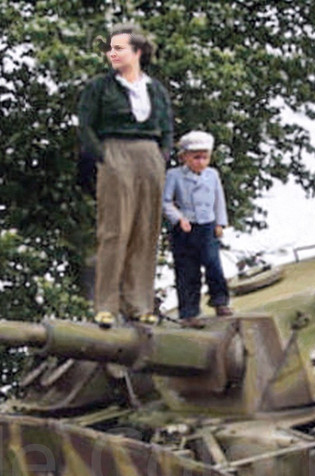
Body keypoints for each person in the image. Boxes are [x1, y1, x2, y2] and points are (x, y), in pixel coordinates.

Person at [77, 23, 173, 328]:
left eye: (119, 48)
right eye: (110, 49)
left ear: (138, 52)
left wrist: (162, 155)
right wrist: (104, 157)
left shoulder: (155, 89)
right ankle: (106, 305)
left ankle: (140, 304)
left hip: (150, 155)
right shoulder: (100, 87)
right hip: (115, 151)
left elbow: (167, 127)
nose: (112, 53)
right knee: (114, 232)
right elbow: (85, 126)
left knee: (145, 232)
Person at [163, 130, 231, 326]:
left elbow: (219, 200)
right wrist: (178, 218)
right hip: (185, 228)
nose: (200, 162)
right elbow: (166, 201)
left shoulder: (212, 175)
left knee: (213, 265)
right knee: (187, 270)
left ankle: (220, 301)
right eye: (196, 157)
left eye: (205, 157)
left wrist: (220, 222)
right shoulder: (174, 175)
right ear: (184, 157)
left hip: (207, 225)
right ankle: (189, 312)